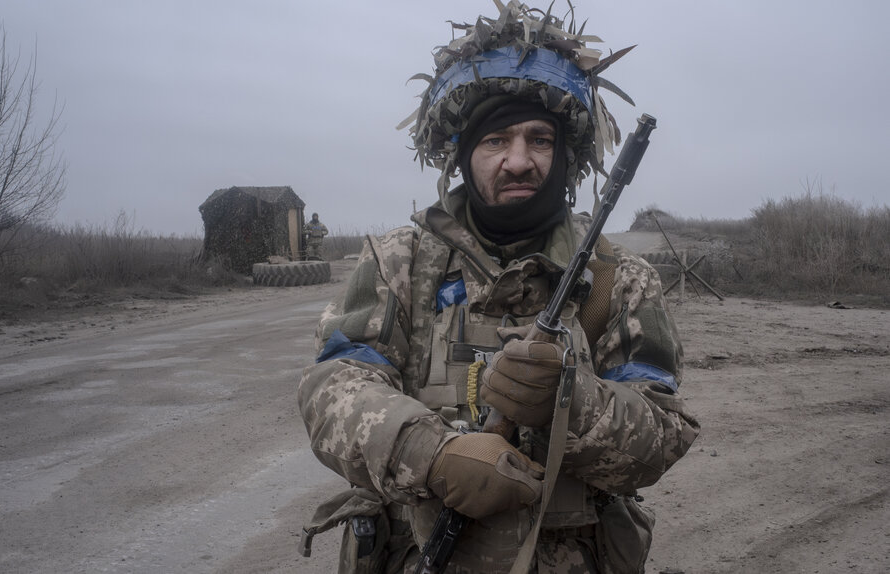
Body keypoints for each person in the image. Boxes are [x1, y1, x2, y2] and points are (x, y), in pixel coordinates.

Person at [297, 2, 700, 573]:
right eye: (495, 140)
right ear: (464, 155)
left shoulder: (619, 281)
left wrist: (570, 403)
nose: (518, 161)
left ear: (564, 154)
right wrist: (430, 455)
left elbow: (661, 433)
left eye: (539, 139)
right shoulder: (400, 262)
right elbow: (331, 389)